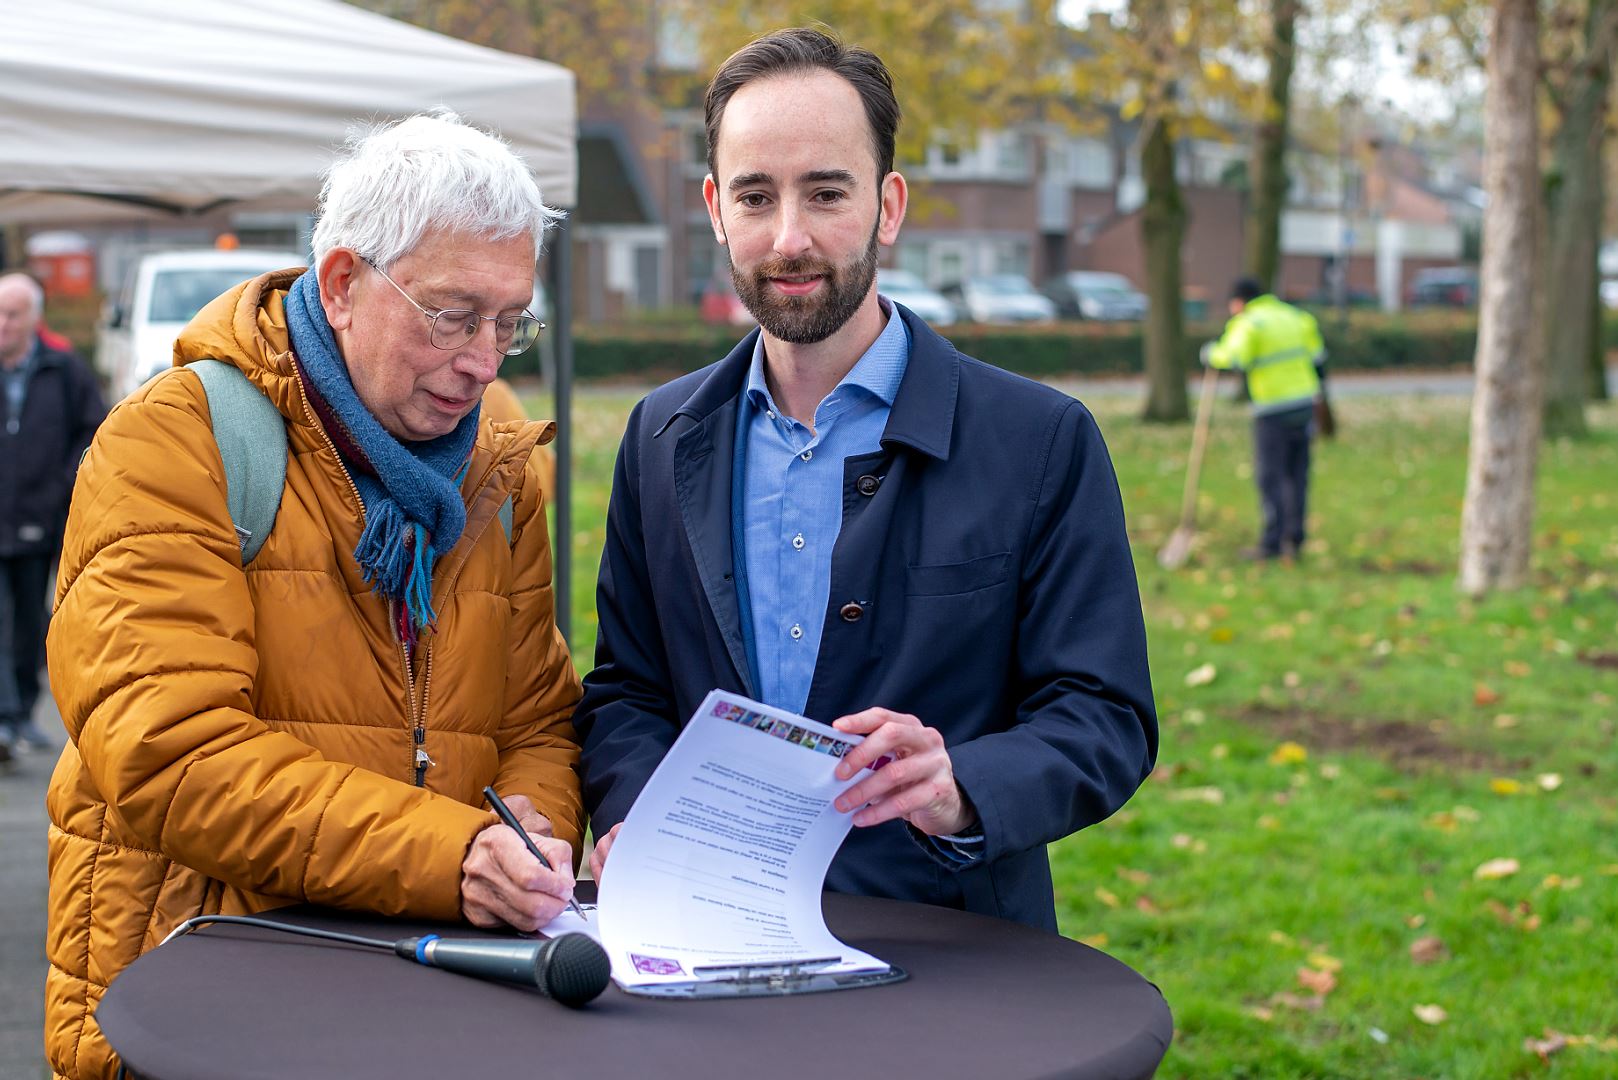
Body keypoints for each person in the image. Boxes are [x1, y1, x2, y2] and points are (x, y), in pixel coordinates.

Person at [574, 29, 1158, 933]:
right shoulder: (660, 435)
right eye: (756, 196)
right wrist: (640, 815)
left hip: (951, 949)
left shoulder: (1039, 440)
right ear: (715, 209)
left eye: (826, 193)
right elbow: (628, 692)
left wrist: (961, 784)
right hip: (702, 928)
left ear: (888, 206)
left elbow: (1103, 715)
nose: (790, 236)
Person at [45, 112, 582, 1080]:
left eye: (511, 321)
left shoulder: (499, 467)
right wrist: (452, 858)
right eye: (454, 315)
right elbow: (169, 754)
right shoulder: (172, 443)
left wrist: (529, 837)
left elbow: (538, 715)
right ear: (342, 284)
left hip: (432, 1001)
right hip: (201, 1004)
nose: (484, 359)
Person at [0, 273, 105, 762]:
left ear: (33, 319)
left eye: (13, 314)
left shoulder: (64, 371)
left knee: (30, 621)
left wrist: (65, 485)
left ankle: (20, 711)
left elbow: (95, 430)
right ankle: (6, 715)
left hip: (42, 520)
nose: (3, 324)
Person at [1202, 277, 1326, 561]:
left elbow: (1235, 357)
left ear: (1239, 301)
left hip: (1272, 408)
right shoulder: (1296, 316)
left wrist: (1211, 354)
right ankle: (1295, 538)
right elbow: (1318, 355)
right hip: (1304, 404)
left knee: (1271, 476)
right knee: (1297, 474)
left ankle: (1272, 542)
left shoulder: (1249, 323)